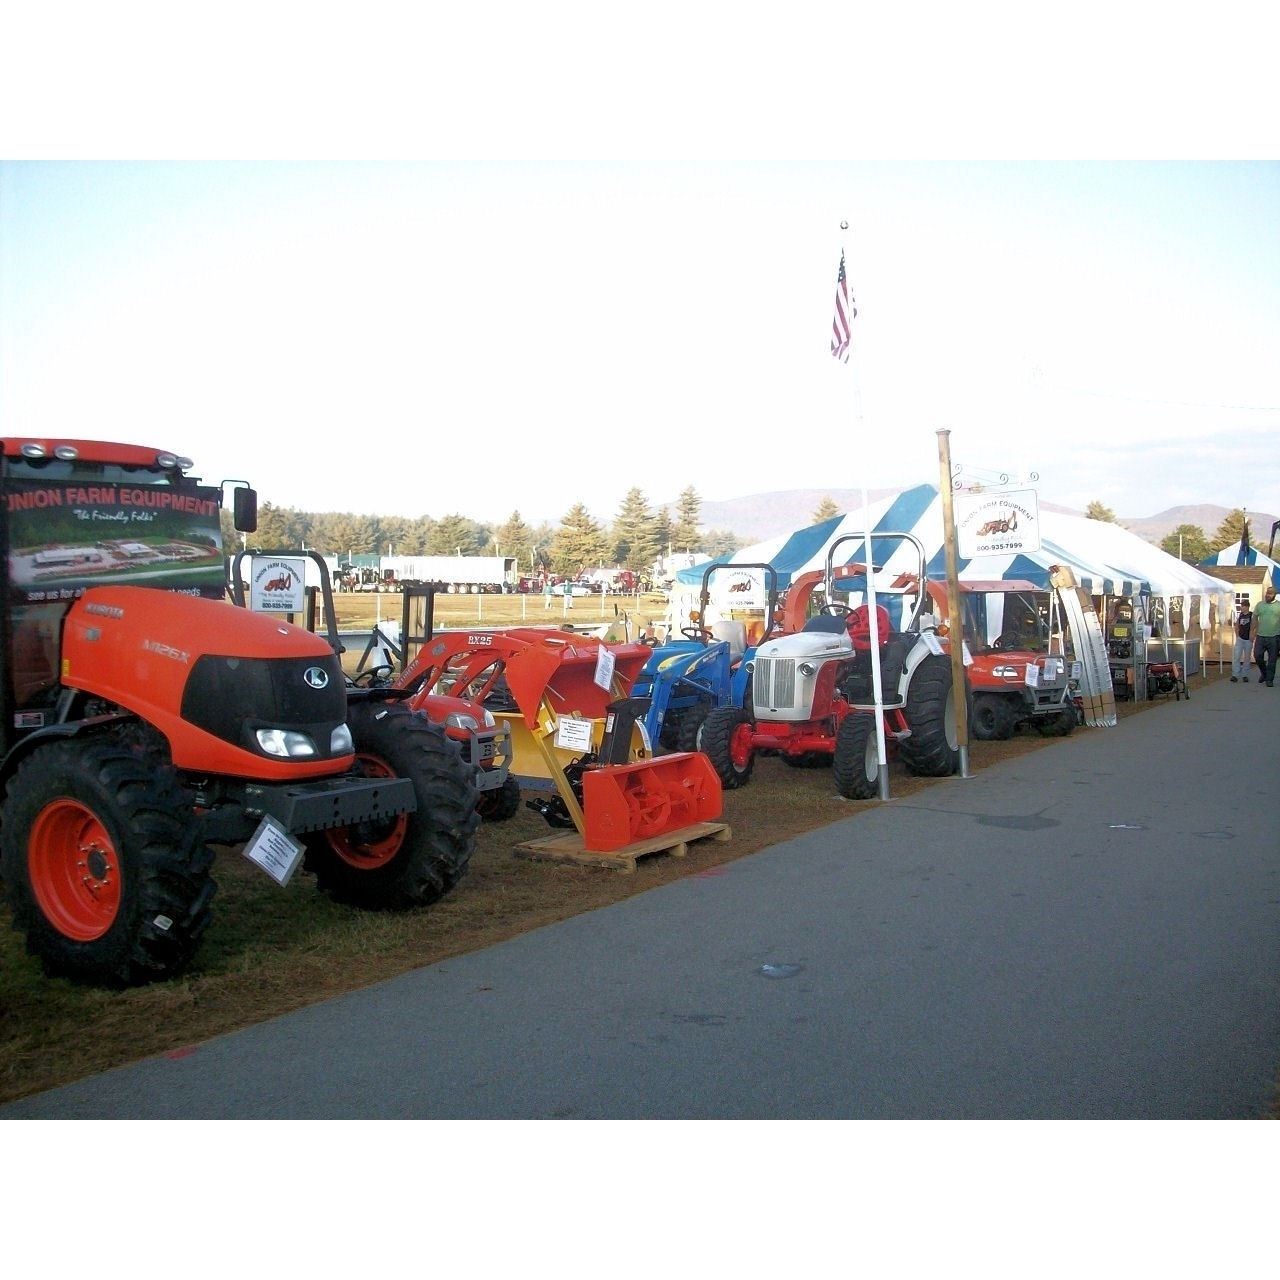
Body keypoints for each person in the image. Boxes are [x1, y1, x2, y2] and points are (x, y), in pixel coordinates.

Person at [1252, 584, 1280, 687]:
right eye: (1267, 593)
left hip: (1275, 637)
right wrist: (1252, 632)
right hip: (1260, 636)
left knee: (1272, 660)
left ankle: (1269, 680)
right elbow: (1254, 618)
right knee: (1257, 656)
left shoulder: (1279, 606)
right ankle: (1264, 673)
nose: (1267, 595)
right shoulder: (1260, 605)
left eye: (1270, 593)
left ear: (1274, 595)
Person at [1231, 599, 1254, 682]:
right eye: (1241, 606)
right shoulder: (1240, 615)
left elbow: (1256, 625)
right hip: (1240, 639)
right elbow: (1237, 625)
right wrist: (1237, 635)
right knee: (1236, 656)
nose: (1241, 607)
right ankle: (1235, 675)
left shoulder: (1252, 615)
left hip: (1248, 639)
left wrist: (1253, 635)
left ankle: (1245, 675)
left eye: (1243, 606)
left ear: (1247, 607)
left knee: (1247, 658)